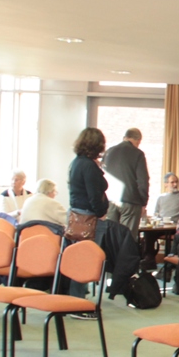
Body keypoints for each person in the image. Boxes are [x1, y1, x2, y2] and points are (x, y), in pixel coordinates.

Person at [67, 128, 109, 308]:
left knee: (79, 257)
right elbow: (94, 195)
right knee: (85, 260)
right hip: (88, 217)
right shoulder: (89, 166)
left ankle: (76, 297)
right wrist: (101, 213)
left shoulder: (76, 162)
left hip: (76, 214)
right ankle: (77, 302)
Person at [102, 128, 149, 240]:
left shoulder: (108, 152)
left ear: (125, 138)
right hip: (130, 201)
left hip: (110, 200)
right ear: (138, 140)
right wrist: (143, 202)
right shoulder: (138, 154)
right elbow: (143, 180)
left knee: (110, 237)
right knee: (127, 238)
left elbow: (101, 175)